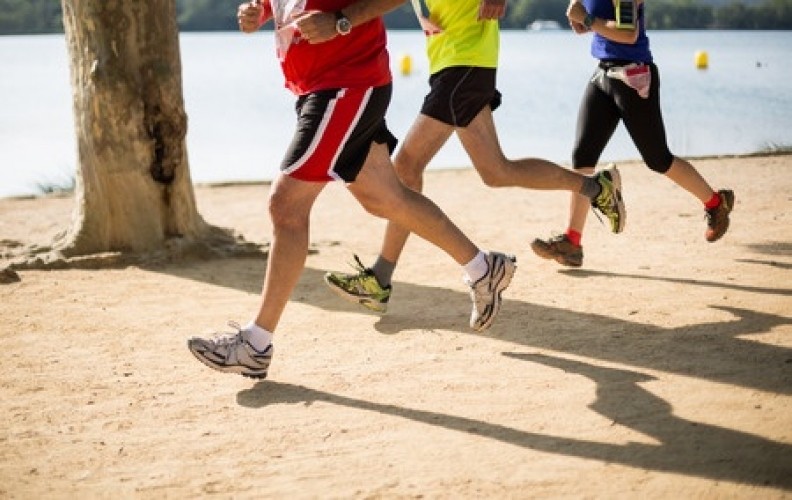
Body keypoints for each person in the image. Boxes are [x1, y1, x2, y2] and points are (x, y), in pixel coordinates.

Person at [188, 0, 517, 379]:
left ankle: (255, 343)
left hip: (346, 83)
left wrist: (341, 22)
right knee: (386, 199)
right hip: (319, 86)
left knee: (286, 206)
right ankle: (483, 267)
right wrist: (259, 10)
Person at [323, 0, 626, 314]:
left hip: (464, 62)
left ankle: (380, 279)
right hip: (454, 63)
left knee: (407, 167)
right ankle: (596, 188)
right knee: (496, 171)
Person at [530, 0, 734, 267]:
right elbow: (598, 21)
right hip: (603, 73)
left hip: (633, 76)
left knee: (658, 159)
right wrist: (583, 21)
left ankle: (716, 202)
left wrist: (589, 20)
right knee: (583, 155)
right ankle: (572, 242)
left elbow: (629, 34)